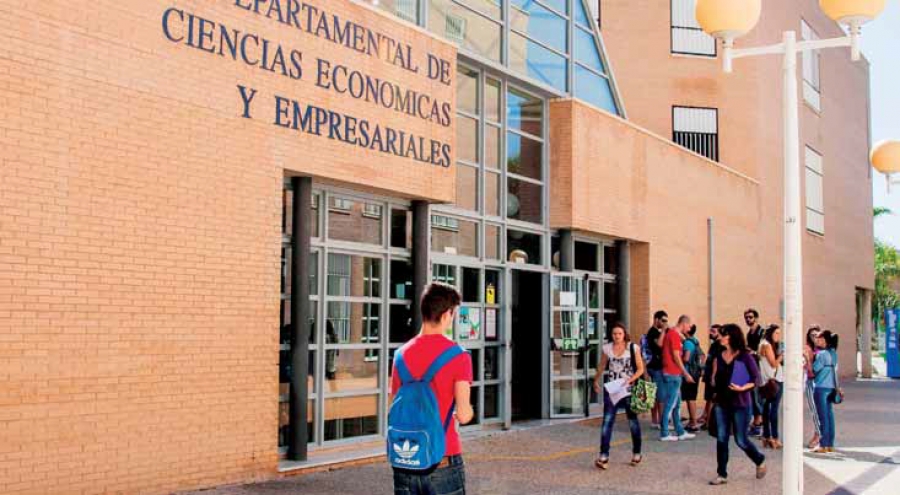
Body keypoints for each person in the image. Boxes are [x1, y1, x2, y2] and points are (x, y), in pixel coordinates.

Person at [390, 283, 474, 495]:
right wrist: (462, 412)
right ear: (447, 315)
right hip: (443, 458)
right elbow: (464, 415)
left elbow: (394, 406)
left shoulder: (400, 355)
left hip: (405, 460)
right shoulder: (459, 356)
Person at [709, 324, 767, 486]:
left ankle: (759, 459)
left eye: (723, 335)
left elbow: (756, 379)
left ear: (731, 337)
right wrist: (713, 376)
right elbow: (715, 379)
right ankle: (722, 474)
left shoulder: (744, 356)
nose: (719, 337)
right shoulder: (719, 356)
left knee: (741, 440)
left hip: (740, 403)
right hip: (722, 402)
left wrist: (742, 387)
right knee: (721, 438)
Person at [593, 322, 646, 469]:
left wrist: (630, 380)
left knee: (632, 422)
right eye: (614, 333)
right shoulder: (607, 348)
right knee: (607, 422)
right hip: (612, 389)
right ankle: (603, 456)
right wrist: (596, 380)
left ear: (624, 334)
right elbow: (602, 365)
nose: (616, 336)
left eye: (619, 333)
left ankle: (637, 453)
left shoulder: (633, 348)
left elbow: (641, 369)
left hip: (628, 389)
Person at [659, 315, 696, 441]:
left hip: (673, 373)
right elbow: (676, 356)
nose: (690, 328)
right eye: (689, 325)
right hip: (672, 373)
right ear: (684, 323)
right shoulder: (674, 335)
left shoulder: (673, 334)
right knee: (670, 404)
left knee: (676, 404)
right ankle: (664, 433)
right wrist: (686, 373)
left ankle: (680, 431)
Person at [811, 330, 840, 454]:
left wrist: (808, 360)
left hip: (821, 386)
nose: (817, 341)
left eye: (820, 339)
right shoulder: (833, 353)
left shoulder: (822, 354)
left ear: (825, 340)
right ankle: (830, 444)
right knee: (829, 415)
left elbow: (814, 369)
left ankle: (823, 445)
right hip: (831, 387)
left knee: (822, 417)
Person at [759, 324, 784, 449]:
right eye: (776, 333)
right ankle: (774, 438)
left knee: (766, 409)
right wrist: (782, 355)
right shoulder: (767, 345)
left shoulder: (762, 344)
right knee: (773, 409)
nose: (778, 336)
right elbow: (773, 364)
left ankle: (766, 436)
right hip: (774, 380)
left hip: (765, 381)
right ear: (770, 333)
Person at [642, 310, 668, 429]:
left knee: (655, 395)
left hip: (654, 367)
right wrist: (663, 330)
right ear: (656, 319)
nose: (664, 323)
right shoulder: (652, 332)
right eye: (663, 320)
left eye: (666, 321)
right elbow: (659, 345)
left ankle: (656, 420)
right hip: (655, 367)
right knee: (660, 395)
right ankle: (662, 422)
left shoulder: (656, 332)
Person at [744, 309, 765, 436]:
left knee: (757, 394)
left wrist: (754, 352)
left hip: (760, 366)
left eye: (750, 317)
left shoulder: (761, 332)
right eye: (746, 317)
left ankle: (759, 421)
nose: (748, 319)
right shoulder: (749, 333)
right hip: (752, 366)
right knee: (752, 393)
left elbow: (763, 350)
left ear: (756, 318)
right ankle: (756, 420)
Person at [682, 324, 705, 432]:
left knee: (689, 398)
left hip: (689, 373)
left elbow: (686, 358)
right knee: (692, 398)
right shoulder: (695, 341)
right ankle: (693, 421)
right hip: (695, 373)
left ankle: (693, 423)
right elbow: (702, 356)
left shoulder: (687, 342)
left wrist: (677, 359)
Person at [699, 324, 723, 428]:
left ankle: (709, 422)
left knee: (712, 399)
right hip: (708, 375)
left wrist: (713, 376)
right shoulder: (713, 344)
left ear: (719, 333)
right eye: (710, 331)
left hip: (713, 376)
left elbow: (716, 361)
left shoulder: (719, 345)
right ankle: (705, 417)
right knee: (708, 398)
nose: (710, 333)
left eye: (713, 331)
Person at [803, 326, 823, 449]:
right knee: (814, 410)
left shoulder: (823, 350)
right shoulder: (808, 349)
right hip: (811, 382)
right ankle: (818, 434)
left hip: (823, 383)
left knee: (822, 410)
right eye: (812, 335)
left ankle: (821, 435)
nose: (814, 337)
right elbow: (809, 371)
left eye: (816, 334)